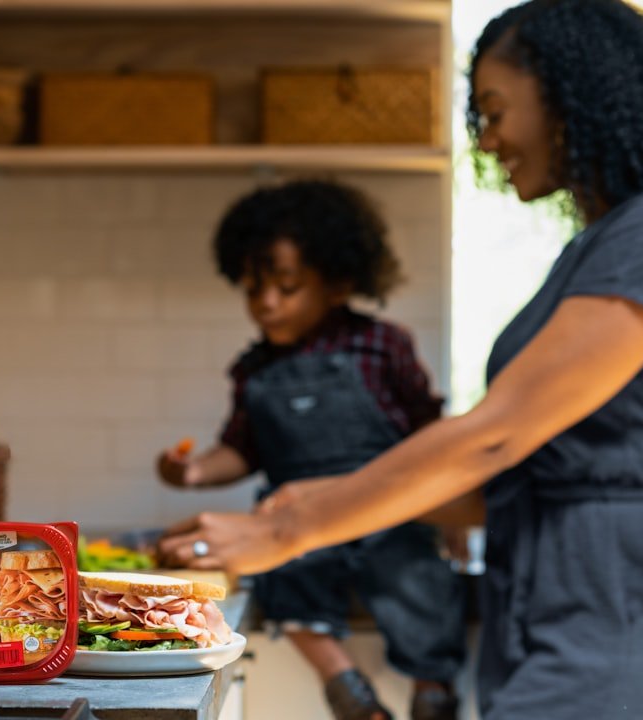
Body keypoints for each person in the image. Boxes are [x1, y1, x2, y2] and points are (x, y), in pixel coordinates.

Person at [158, 2, 643, 719]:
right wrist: (309, 499)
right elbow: (524, 474)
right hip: (544, 608)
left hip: (622, 614)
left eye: (495, 111)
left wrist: (282, 534)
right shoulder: (603, 245)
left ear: (570, 96)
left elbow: (496, 434)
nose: (488, 141)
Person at [156, 179, 467, 720]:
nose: (267, 304)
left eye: (286, 286)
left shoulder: (382, 346)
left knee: (419, 577)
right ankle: (346, 687)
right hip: (292, 520)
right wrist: (194, 471)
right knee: (283, 577)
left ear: (339, 282)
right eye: (254, 290)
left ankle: (432, 690)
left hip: (386, 513)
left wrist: (451, 518)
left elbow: (428, 436)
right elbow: (241, 449)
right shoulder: (253, 367)